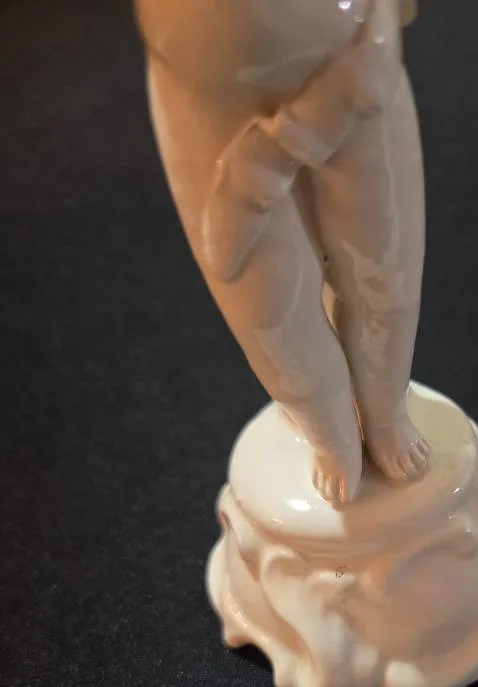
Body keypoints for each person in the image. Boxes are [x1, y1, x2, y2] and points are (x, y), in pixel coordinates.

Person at [137, 0, 428, 503]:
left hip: (350, 62)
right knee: (268, 316)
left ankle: (385, 412)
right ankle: (330, 433)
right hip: (207, 97)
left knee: (386, 276)